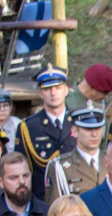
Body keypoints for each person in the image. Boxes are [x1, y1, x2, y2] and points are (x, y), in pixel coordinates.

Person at [15, 64, 75, 202]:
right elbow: (22, 170)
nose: (53, 93)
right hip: (44, 203)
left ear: (66, 90)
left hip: (79, 201)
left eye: (58, 88)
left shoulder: (79, 121)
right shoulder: (28, 127)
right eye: (47, 89)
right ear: (40, 93)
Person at [44, 103, 108, 204]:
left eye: (98, 128)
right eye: (88, 129)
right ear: (75, 131)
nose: (94, 134)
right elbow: (56, 211)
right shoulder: (60, 167)